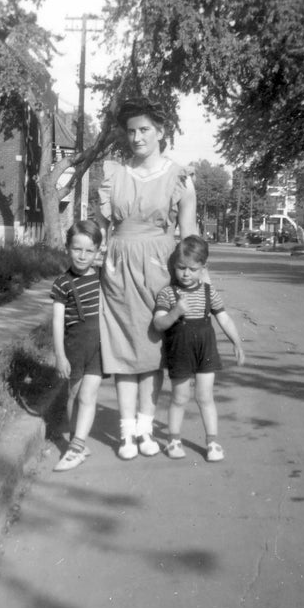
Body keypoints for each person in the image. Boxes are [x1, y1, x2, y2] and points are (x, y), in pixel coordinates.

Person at [99, 98, 197, 460]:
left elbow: (188, 233)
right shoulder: (115, 175)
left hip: (159, 265)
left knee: (153, 349)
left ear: (161, 132)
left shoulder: (179, 177)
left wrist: (198, 281)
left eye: (145, 130)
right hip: (118, 267)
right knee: (123, 348)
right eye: (131, 131)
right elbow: (102, 228)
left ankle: (145, 429)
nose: (137, 137)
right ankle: (127, 434)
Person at [153, 235, 245, 461]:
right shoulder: (167, 293)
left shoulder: (208, 292)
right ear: (173, 266)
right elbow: (158, 323)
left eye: (192, 269)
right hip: (180, 349)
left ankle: (212, 442)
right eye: (181, 268)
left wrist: (237, 342)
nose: (186, 274)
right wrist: (175, 312)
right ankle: (173, 440)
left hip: (205, 349)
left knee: (205, 397)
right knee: (180, 397)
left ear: (204, 268)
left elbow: (224, 319)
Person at [50, 220, 104, 472]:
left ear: (97, 252)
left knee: (88, 395)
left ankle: (76, 447)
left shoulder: (103, 277)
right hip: (74, 347)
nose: (83, 256)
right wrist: (60, 355)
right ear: (67, 248)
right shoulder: (62, 283)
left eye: (89, 250)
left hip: (99, 347)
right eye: (77, 249)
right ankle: (77, 441)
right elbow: (58, 322)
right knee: (73, 394)